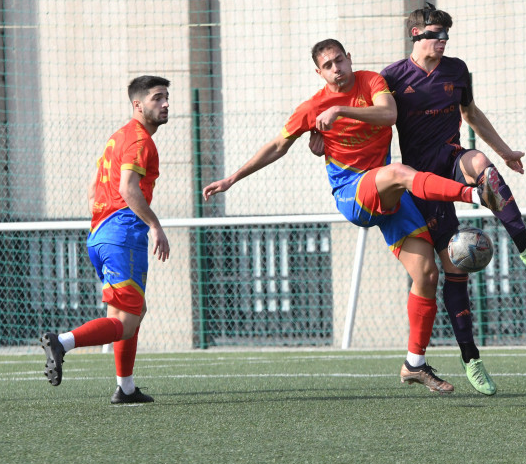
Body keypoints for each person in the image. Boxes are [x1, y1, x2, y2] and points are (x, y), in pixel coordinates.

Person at [203, 39, 505, 395]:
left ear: (350, 59)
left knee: (427, 274)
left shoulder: (371, 82)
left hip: (385, 191)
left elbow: (389, 114)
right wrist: (232, 178)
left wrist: (342, 113)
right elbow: (276, 146)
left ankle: (414, 363)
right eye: (328, 65)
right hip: (353, 192)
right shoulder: (312, 107)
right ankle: (473, 194)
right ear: (319, 72)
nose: (336, 69)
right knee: (398, 172)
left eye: (340, 61)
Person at [379, 3, 526, 395]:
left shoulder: (457, 70)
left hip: (451, 158)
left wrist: (507, 150)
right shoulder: (391, 77)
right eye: (435, 34)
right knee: (453, 271)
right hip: (420, 182)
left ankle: (525, 243)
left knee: (482, 162)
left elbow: (472, 113)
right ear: (416, 35)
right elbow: (373, 124)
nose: (443, 40)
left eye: (446, 34)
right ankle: (470, 358)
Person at [40, 75, 172, 404]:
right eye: (158, 98)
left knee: (132, 312)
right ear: (138, 105)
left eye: (167, 97)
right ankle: (62, 342)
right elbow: (128, 188)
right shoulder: (140, 140)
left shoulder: (117, 138)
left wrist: (104, 226)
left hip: (100, 235)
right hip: (122, 235)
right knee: (125, 323)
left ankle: (125, 389)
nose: (166, 103)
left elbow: (91, 192)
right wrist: (155, 226)